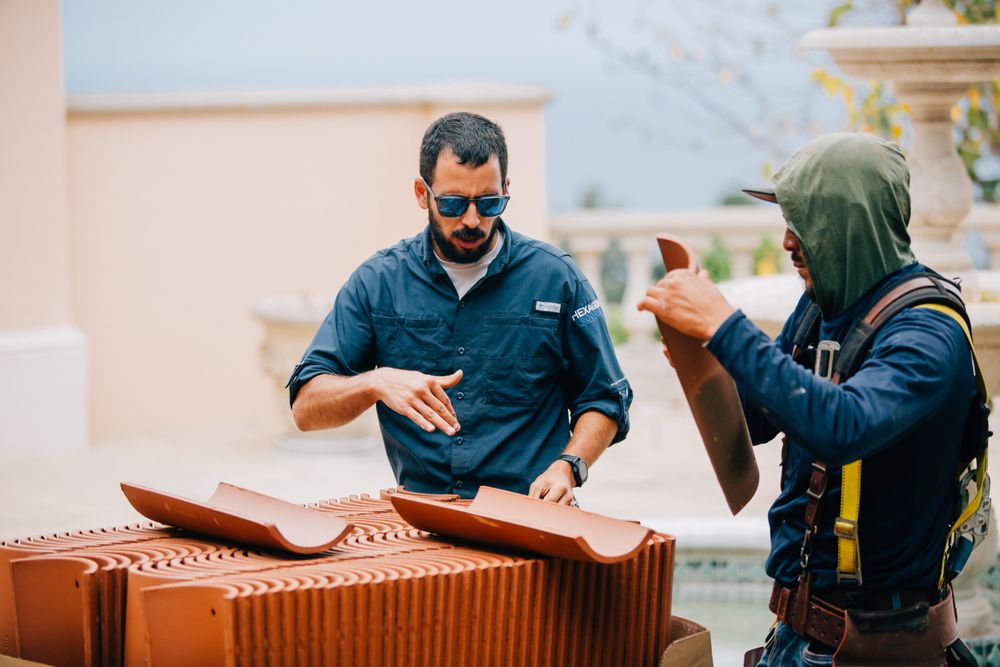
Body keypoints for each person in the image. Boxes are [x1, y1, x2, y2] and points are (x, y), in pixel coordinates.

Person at [639, 132, 983, 664]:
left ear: (848, 223)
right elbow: (758, 419)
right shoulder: (820, 307)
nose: (787, 242)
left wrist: (726, 327)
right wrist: (703, 358)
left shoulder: (928, 337)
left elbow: (842, 426)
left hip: (879, 650)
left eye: (801, 221)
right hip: (798, 637)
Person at [289, 111, 632, 505]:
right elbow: (306, 408)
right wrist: (376, 382)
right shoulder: (377, 282)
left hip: (534, 516)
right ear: (422, 193)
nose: (472, 220)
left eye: (489, 202)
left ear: (506, 188)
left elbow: (605, 399)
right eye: (453, 203)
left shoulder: (557, 279)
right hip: (424, 519)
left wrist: (569, 466)